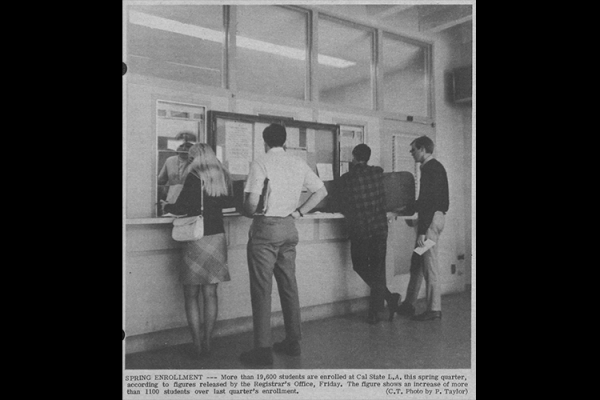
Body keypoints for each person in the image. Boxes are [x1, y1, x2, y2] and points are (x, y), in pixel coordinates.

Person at [239, 123, 328, 366]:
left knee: (261, 289)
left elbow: (252, 203)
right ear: (285, 140)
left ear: (264, 141)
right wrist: (298, 213)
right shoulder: (297, 162)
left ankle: (262, 350)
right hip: (289, 227)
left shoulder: (261, 162)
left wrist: (246, 210)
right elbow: (321, 192)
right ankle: (293, 341)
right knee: (289, 285)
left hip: (266, 229)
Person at [160, 143, 234, 358]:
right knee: (211, 293)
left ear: (195, 157)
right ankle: (208, 340)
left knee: (191, 294)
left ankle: (196, 344)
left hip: (196, 238)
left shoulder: (193, 176)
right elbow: (229, 201)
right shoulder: (223, 175)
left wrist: (166, 205)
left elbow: (183, 207)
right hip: (217, 238)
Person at [337, 144, 401, 325]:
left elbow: (342, 203)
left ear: (354, 157)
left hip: (360, 231)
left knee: (360, 266)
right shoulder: (378, 173)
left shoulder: (347, 179)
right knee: (378, 271)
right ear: (368, 158)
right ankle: (379, 308)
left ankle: (386, 301)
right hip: (380, 229)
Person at [395, 135, 449, 321]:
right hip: (434, 219)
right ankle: (409, 304)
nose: (411, 153)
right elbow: (425, 201)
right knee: (417, 261)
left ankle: (434, 309)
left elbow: (429, 202)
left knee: (429, 265)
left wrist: (423, 232)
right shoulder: (432, 168)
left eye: (414, 149)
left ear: (423, 149)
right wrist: (406, 209)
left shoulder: (431, 169)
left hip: (431, 222)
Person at [158, 140, 195, 205]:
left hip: (189, 197)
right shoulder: (170, 160)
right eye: (181, 146)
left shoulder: (195, 162)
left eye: (188, 147)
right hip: (172, 197)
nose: (184, 148)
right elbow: (161, 181)